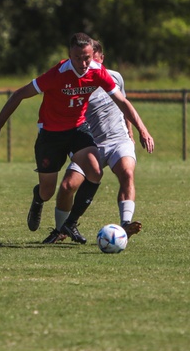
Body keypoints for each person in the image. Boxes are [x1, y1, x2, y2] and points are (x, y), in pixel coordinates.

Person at [0, 32, 154, 244]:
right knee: (47, 191)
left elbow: (123, 102)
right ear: (70, 55)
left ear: (94, 55)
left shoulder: (98, 72)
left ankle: (69, 224)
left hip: (77, 130)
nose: (83, 63)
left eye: (87, 58)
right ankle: (38, 199)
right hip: (51, 135)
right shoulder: (57, 74)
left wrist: (142, 130)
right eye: (78, 58)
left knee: (95, 171)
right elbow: (19, 94)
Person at [46, 40, 144, 244]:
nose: (88, 67)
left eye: (91, 61)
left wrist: (131, 132)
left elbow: (124, 104)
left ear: (100, 59)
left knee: (127, 172)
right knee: (67, 186)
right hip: (90, 144)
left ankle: (126, 224)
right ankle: (60, 229)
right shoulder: (75, 81)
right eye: (82, 61)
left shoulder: (114, 77)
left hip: (118, 141)